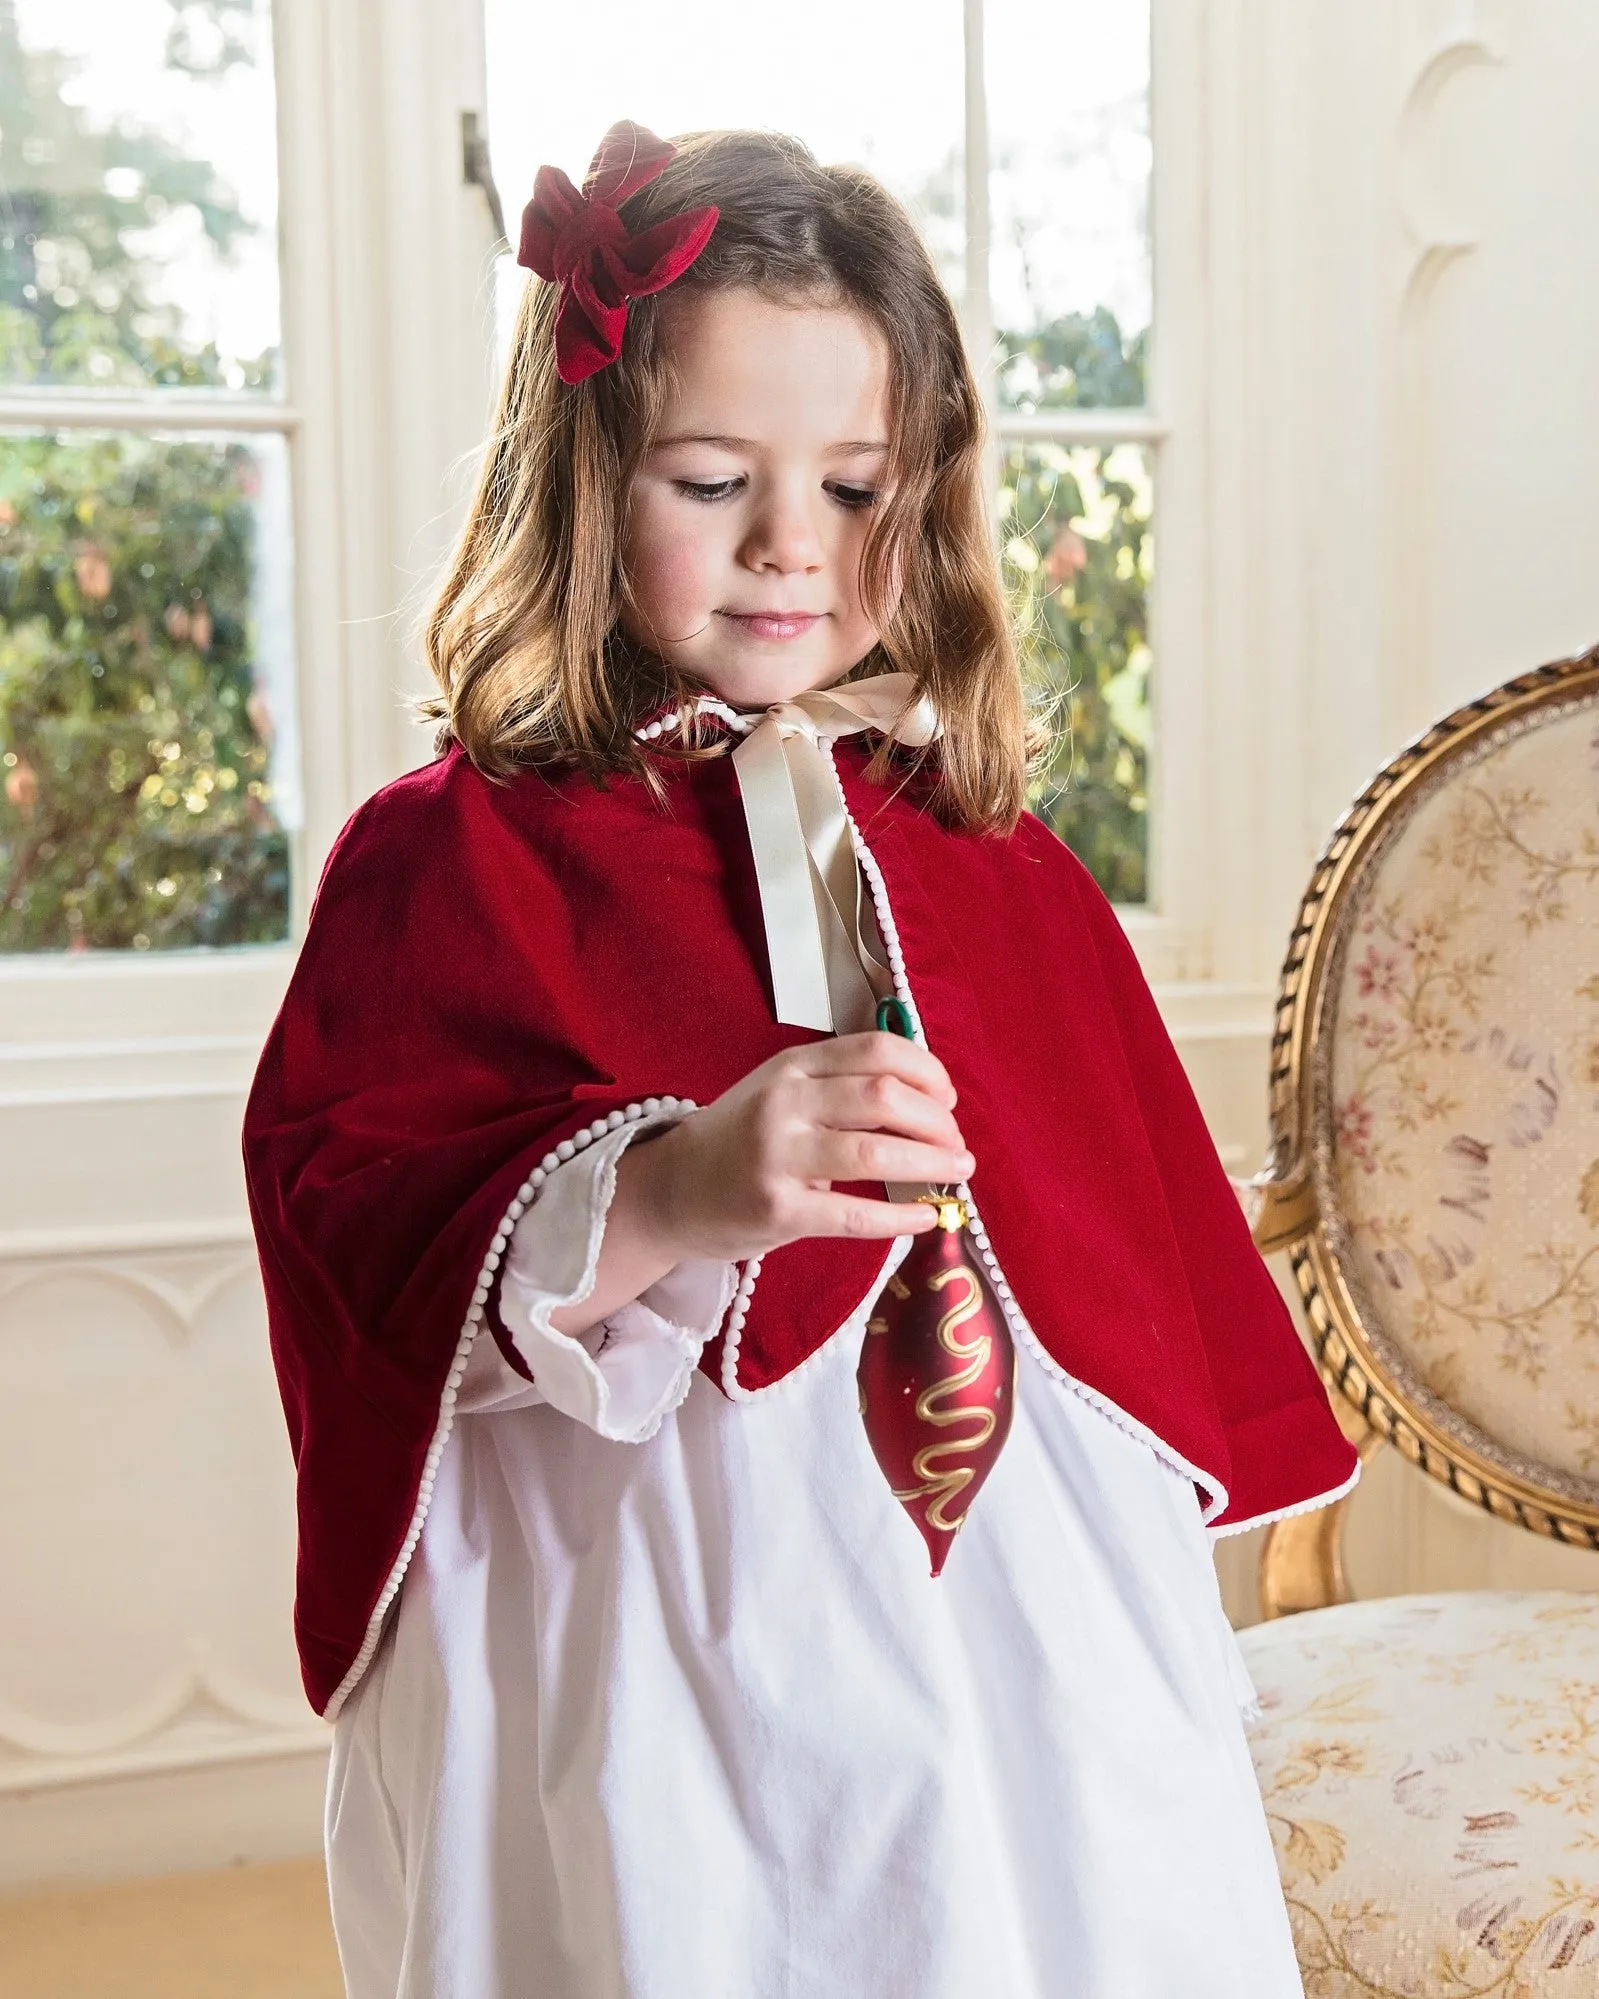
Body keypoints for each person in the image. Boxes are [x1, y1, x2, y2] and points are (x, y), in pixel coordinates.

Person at [244, 121, 1357, 1999]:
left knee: (1061, 1910)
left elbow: (1114, 1196)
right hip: (655, 1612)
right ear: (585, 485)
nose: (789, 545)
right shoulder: (455, 858)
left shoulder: (984, 849)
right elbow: (362, 1230)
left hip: (1023, 1612)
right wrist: (673, 1188)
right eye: (710, 478)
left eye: (854, 484)